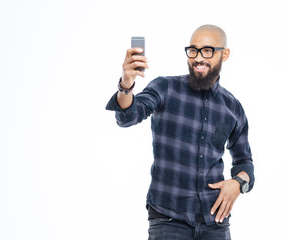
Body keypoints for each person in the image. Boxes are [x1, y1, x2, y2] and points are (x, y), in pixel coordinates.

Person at [106, 24, 254, 240]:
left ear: (225, 54)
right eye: (193, 50)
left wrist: (238, 184)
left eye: (207, 50)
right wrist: (126, 85)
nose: (198, 58)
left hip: (215, 223)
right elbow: (128, 116)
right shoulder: (165, 88)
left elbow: (245, 162)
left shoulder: (233, 107)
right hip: (168, 220)